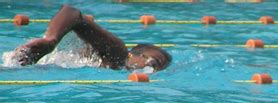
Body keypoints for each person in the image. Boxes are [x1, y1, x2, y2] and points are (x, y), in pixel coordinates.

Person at [13, 5, 171, 72]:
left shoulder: (114, 66)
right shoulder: (118, 53)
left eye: (158, 69)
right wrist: (51, 40)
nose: (152, 71)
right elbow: (72, 12)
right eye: (153, 63)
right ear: (134, 54)